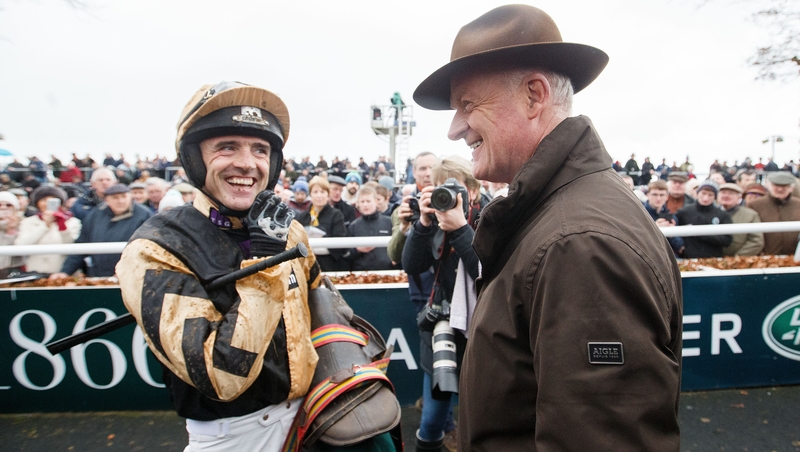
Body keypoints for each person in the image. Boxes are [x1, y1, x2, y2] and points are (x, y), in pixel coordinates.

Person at [412, 5, 682, 450]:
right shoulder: (559, 215)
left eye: (467, 104)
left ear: (534, 95)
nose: (454, 129)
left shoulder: (579, 244)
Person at [115, 81, 324, 451]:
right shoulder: (154, 248)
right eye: (227, 147)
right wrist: (264, 263)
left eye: (260, 150)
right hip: (232, 435)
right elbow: (222, 377)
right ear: (195, 158)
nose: (246, 163)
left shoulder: (288, 230)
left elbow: (323, 306)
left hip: (312, 417)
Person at [401, 156, 487, 451]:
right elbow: (411, 265)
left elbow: (486, 271)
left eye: (454, 188)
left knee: (481, 419)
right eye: (438, 187)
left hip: (481, 330)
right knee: (432, 420)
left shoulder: (490, 218)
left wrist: (461, 227)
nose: (445, 195)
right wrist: (424, 222)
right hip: (442, 328)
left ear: (472, 192)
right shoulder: (434, 221)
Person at [50, 183, 152, 278]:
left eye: (124, 196)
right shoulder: (96, 215)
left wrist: (128, 270)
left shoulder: (144, 215)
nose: (120, 201)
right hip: (99, 276)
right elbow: (81, 245)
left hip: (132, 278)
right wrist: (65, 272)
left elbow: (149, 248)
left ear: (130, 197)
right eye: (115, 198)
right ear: (106, 200)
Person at [15, 186, 81, 273]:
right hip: (36, 272)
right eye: (44, 200)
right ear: (37, 203)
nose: (47, 204)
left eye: (53, 200)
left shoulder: (73, 222)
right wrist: (44, 226)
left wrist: (62, 226)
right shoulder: (28, 222)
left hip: (63, 273)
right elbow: (20, 246)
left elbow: (73, 248)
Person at [295, 176, 348, 272]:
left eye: (322, 192)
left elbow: (339, 243)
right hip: (305, 267)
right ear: (310, 194)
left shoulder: (336, 215)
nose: (319, 196)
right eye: (315, 192)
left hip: (329, 266)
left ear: (327, 194)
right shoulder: (302, 216)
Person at [675, 180, 733, 258]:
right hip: (688, 259)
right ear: (698, 193)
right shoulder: (684, 212)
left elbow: (727, 240)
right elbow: (674, 231)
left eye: (710, 195)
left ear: (715, 197)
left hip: (713, 260)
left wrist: (697, 232)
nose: (706, 198)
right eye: (703, 193)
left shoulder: (722, 215)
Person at [343, 185, 395, 271]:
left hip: (388, 272)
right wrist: (357, 250)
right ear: (358, 204)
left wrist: (396, 260)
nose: (365, 205)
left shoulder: (389, 222)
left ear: (375, 202)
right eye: (362, 202)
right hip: (361, 275)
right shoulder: (353, 226)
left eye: (368, 201)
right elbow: (346, 255)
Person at [748, 171, 800, 255]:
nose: (780, 189)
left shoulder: (798, 205)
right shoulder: (755, 205)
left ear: (792, 188)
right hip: (764, 259)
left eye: (784, 186)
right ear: (768, 186)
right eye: (776, 185)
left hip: (795, 259)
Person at [717, 183, 764, 256]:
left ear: (739, 198)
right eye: (723, 193)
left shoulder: (750, 215)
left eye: (731, 193)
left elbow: (756, 241)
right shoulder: (709, 213)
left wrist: (737, 257)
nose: (726, 196)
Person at [642, 180, 684, 257]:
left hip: (667, 258)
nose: (658, 198)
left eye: (661, 195)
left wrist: (672, 234)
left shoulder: (671, 217)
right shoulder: (640, 214)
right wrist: (654, 228)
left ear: (667, 197)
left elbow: (680, 246)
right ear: (648, 195)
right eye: (654, 194)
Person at [0, 191, 24, 271]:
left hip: (13, 269)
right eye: (0, 205)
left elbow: (20, 250)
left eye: (8, 205)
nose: (3, 208)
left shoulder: (24, 223)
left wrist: (11, 230)